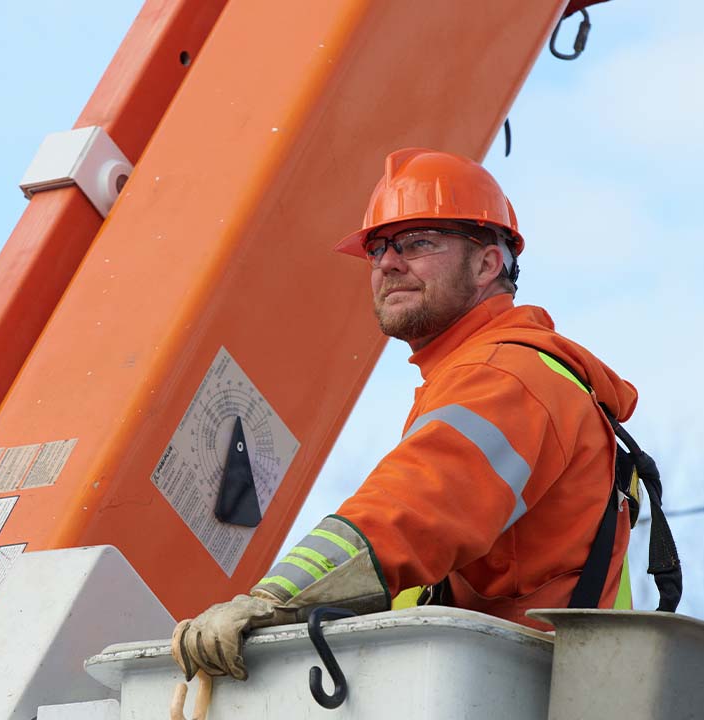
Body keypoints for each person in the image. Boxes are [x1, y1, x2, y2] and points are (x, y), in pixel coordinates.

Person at [172, 148, 642, 682]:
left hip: (516, 691)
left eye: (418, 243)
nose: (388, 264)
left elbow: (412, 508)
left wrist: (274, 598)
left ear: (488, 263)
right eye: (378, 250)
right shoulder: (482, 373)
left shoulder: (506, 377)